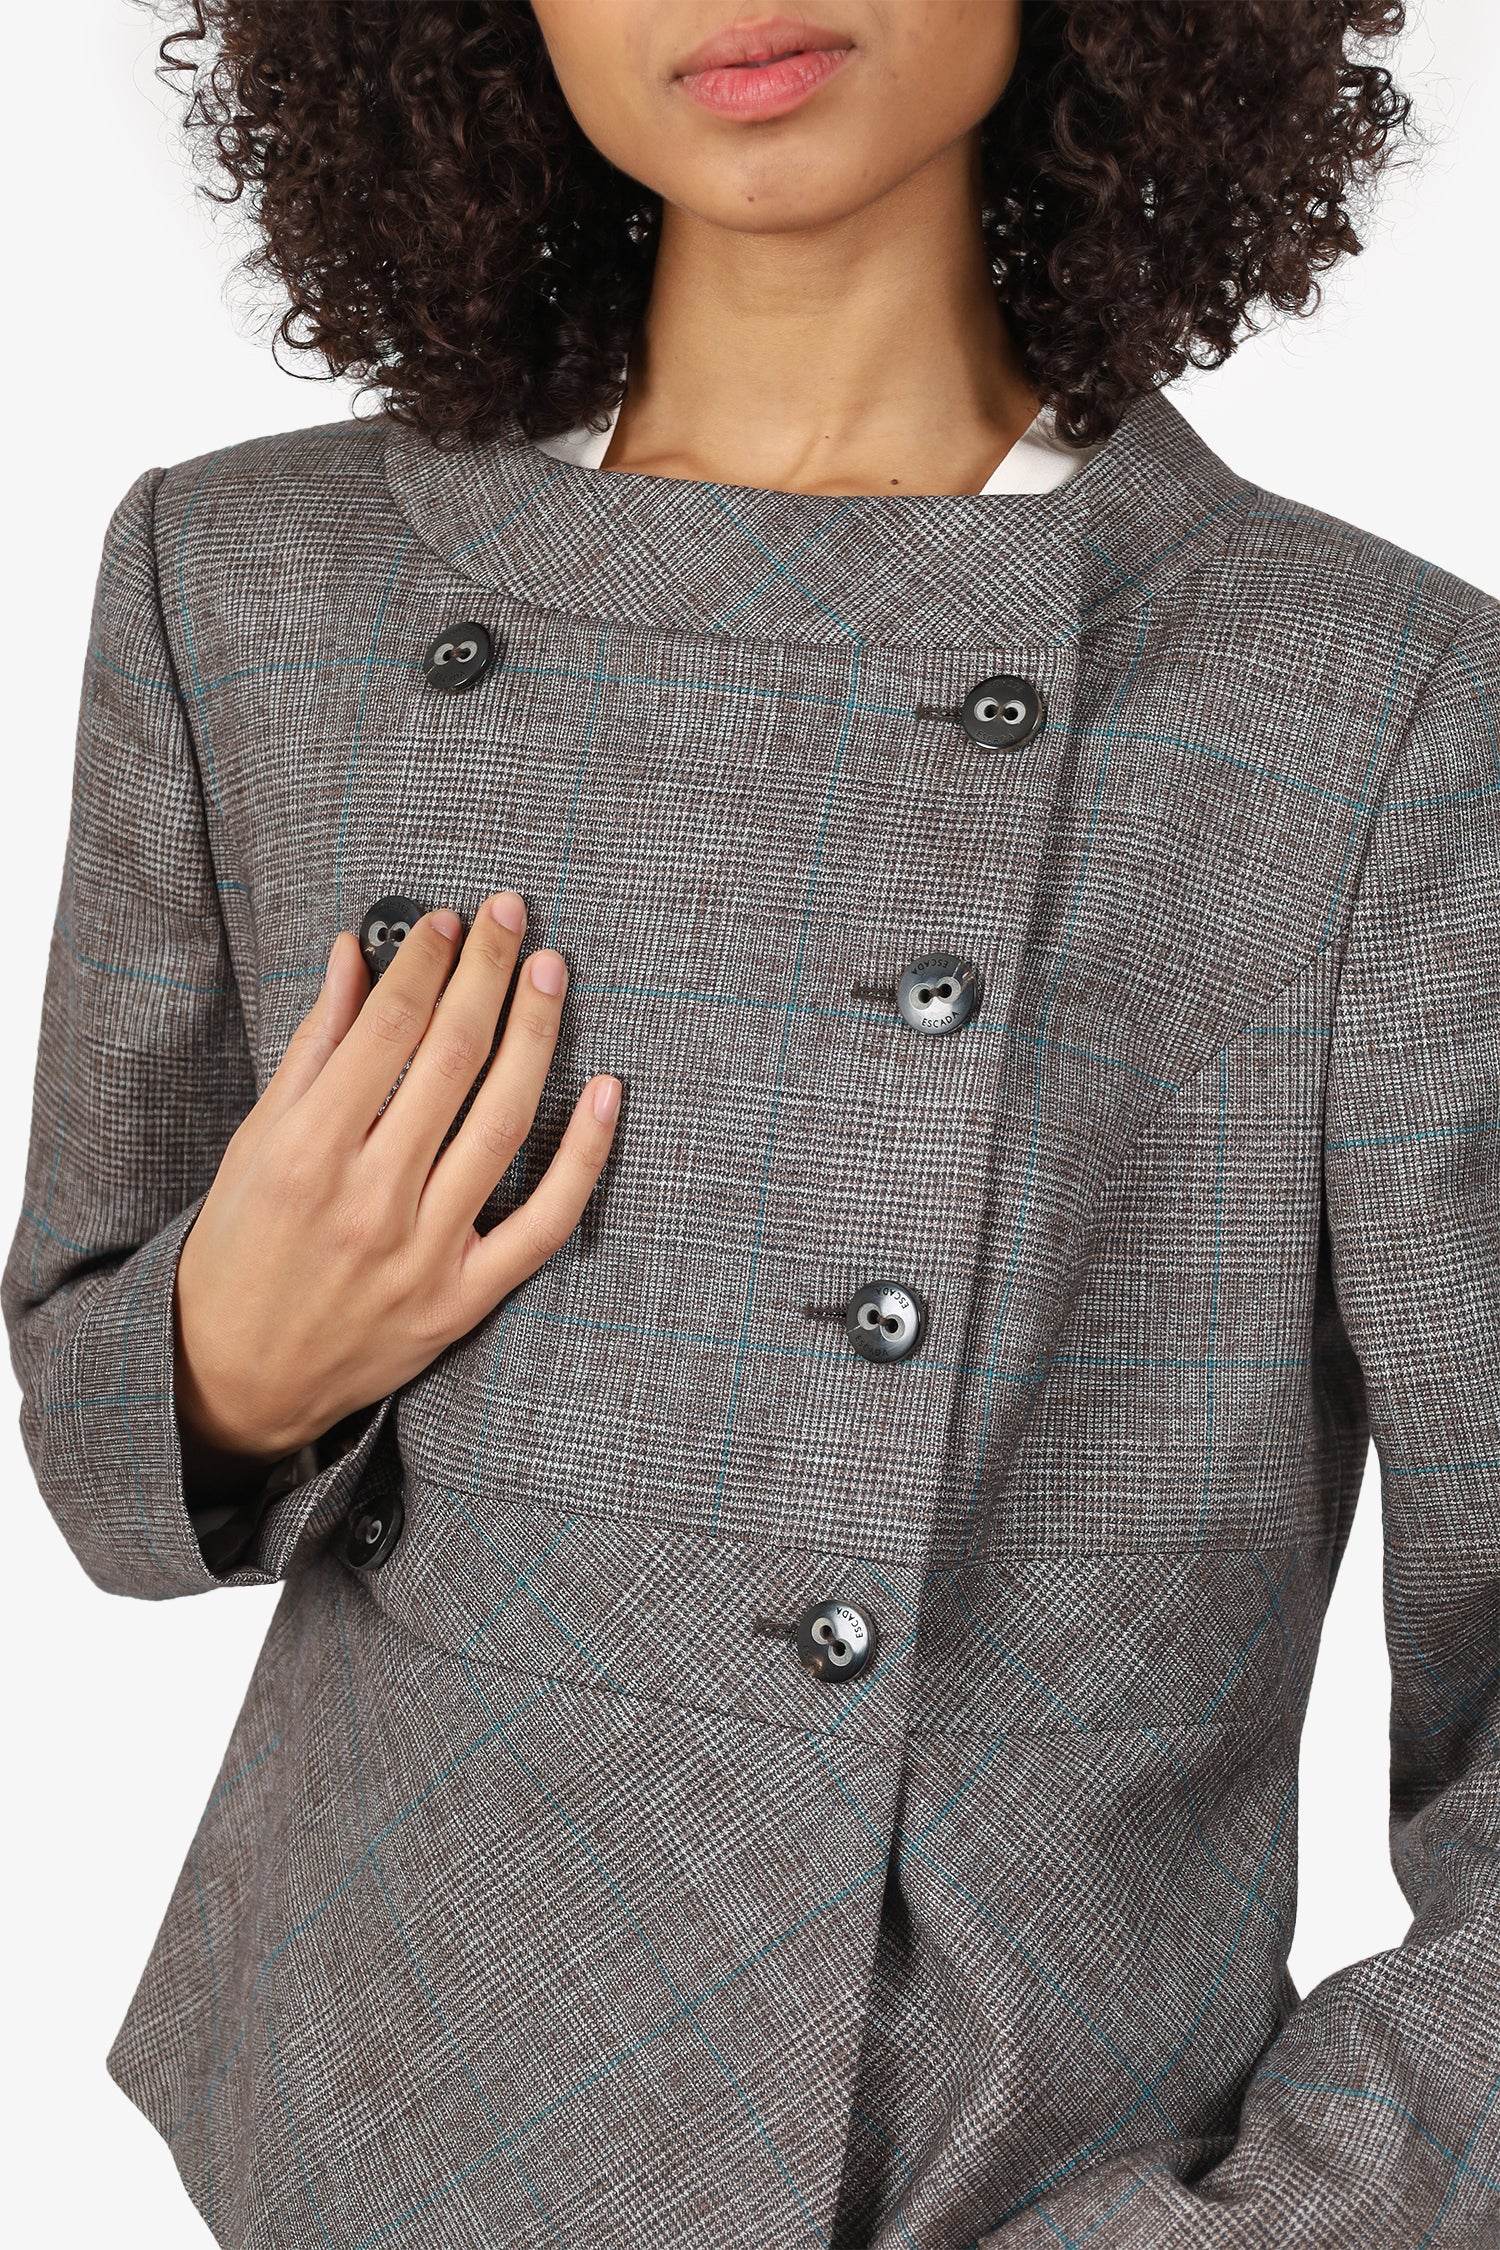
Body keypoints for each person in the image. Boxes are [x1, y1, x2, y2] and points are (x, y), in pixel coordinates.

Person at [6, 3, 1497, 2245]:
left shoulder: (1372, 714)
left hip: (995, 2182)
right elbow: (99, 1450)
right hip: (348, 2119)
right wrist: (232, 1357)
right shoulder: (244, 584)